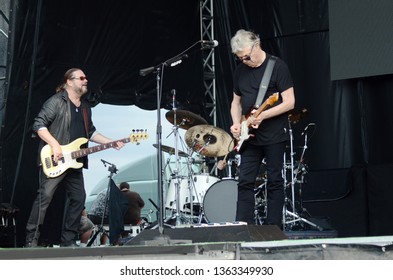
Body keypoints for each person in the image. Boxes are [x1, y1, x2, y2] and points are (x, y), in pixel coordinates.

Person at [25, 68, 125, 247]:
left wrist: (112, 142)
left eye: (86, 77)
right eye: (81, 78)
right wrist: (55, 145)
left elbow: (90, 132)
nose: (85, 80)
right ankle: (31, 240)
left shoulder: (86, 107)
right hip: (55, 159)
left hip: (75, 162)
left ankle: (68, 240)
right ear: (69, 82)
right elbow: (38, 125)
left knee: (79, 199)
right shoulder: (56, 102)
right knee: (44, 198)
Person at [229, 29, 295, 228]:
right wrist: (236, 123)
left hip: (274, 134)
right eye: (239, 58)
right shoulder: (240, 70)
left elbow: (290, 102)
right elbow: (236, 103)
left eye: (247, 56)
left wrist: (264, 115)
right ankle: (243, 226)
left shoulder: (277, 67)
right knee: (244, 181)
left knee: (275, 180)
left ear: (256, 46)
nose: (244, 61)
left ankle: (273, 227)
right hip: (248, 136)